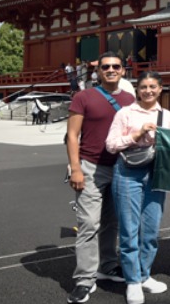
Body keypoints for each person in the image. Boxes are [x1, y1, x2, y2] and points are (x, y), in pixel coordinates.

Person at [65, 52, 134, 304]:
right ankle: (84, 278)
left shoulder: (129, 99)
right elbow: (72, 135)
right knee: (89, 223)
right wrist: (75, 168)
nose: (111, 69)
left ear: (123, 71)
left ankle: (107, 264)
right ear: (98, 72)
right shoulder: (84, 97)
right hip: (91, 165)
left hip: (121, 166)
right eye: (106, 66)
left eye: (116, 66)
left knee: (112, 221)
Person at [106, 72, 170, 304]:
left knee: (151, 229)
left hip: (157, 173)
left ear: (160, 88)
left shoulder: (168, 115)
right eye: (143, 87)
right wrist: (138, 133)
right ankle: (132, 281)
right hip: (128, 171)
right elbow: (111, 145)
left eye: (152, 86)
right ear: (137, 89)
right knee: (129, 228)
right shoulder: (125, 113)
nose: (148, 91)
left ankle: (144, 274)